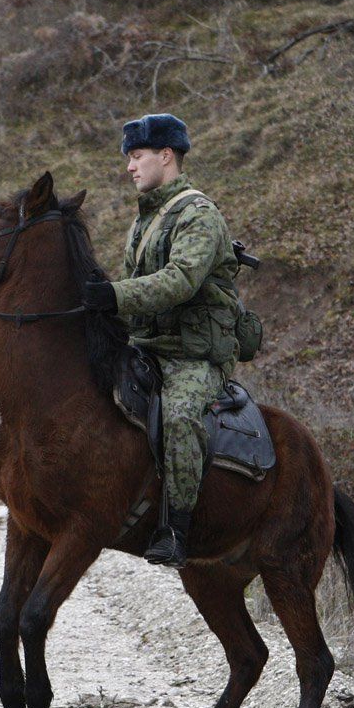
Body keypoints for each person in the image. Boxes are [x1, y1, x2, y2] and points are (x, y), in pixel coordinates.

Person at [82, 113, 240, 569]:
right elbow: (135, 287)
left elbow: (181, 280)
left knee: (181, 416)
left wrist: (113, 295)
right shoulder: (145, 219)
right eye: (129, 158)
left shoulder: (199, 215)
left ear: (166, 156)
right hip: (149, 344)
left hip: (194, 355)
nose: (130, 166)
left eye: (137, 156)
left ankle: (176, 529)